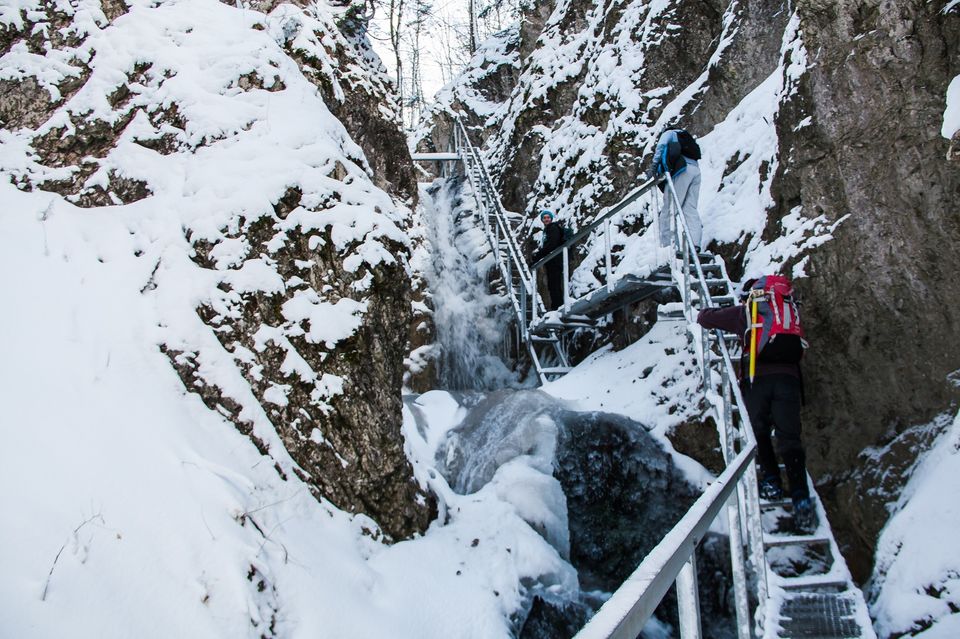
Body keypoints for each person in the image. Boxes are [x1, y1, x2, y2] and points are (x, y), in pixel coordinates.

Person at [696, 278, 818, 533]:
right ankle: (801, 500)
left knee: (758, 432)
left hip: (758, 379)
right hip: (789, 380)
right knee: (790, 439)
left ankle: (772, 482)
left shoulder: (748, 313)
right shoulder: (786, 312)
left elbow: (705, 318)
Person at [651, 128, 702, 251]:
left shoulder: (670, 133)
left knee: (668, 210)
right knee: (689, 209)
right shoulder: (686, 137)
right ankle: (695, 244)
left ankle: (669, 248)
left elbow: (661, 146)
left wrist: (654, 167)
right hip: (696, 170)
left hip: (682, 170)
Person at [532, 210, 565, 311]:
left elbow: (551, 245)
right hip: (552, 261)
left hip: (555, 260)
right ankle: (557, 306)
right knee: (552, 284)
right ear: (542, 220)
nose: (546, 219)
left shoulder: (553, 228)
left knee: (554, 284)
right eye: (544, 218)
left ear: (551, 219)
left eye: (548, 217)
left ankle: (557, 307)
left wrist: (537, 257)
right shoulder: (548, 230)